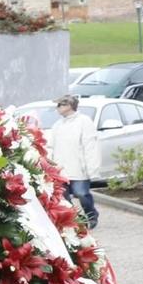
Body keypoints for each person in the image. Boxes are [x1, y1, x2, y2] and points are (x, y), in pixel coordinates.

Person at [51, 95, 99, 227]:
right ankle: (77, 219)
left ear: (69, 105)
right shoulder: (58, 125)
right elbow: (51, 146)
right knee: (64, 198)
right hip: (61, 169)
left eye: (60, 105)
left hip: (79, 167)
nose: (58, 108)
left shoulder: (84, 122)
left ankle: (91, 214)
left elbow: (90, 146)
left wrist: (92, 168)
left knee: (81, 193)